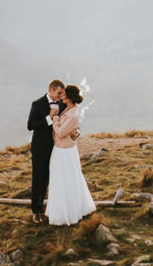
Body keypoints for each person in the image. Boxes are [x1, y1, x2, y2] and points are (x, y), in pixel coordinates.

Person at [45, 84, 97, 226]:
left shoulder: (73, 114)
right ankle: (63, 209)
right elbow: (72, 128)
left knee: (65, 179)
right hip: (62, 149)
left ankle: (67, 212)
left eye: (64, 94)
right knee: (61, 178)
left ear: (69, 97)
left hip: (64, 151)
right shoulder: (69, 109)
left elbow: (61, 133)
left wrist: (55, 120)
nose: (62, 96)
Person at [26, 79, 66, 224]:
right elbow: (30, 125)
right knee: (38, 179)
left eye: (62, 93)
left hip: (56, 148)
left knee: (48, 179)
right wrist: (49, 118)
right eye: (59, 93)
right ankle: (35, 211)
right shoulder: (37, 104)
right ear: (50, 90)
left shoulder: (62, 104)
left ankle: (43, 205)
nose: (61, 96)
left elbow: (70, 120)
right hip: (40, 148)